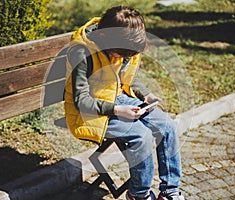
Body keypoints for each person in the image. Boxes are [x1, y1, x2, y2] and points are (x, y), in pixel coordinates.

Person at [64, 5, 184, 200]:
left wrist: (146, 95)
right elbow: (81, 101)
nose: (123, 59)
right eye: (121, 55)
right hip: (90, 111)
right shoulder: (82, 53)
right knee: (141, 136)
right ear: (104, 38)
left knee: (168, 126)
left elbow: (126, 78)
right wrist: (118, 110)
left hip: (117, 98)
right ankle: (139, 194)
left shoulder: (118, 43)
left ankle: (170, 192)